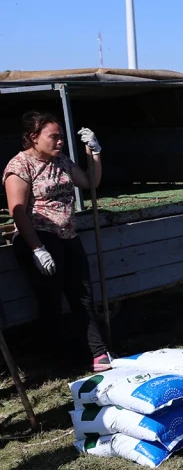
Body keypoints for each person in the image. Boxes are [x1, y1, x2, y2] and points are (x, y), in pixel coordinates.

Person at [3, 111, 112, 371]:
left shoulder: (61, 161)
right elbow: (18, 212)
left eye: (61, 136)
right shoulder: (19, 166)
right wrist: (38, 249)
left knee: (82, 294)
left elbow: (90, 182)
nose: (60, 141)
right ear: (34, 137)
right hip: (38, 236)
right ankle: (62, 358)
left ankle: (97, 352)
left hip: (67, 234)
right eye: (54, 136)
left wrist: (95, 153)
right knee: (50, 299)